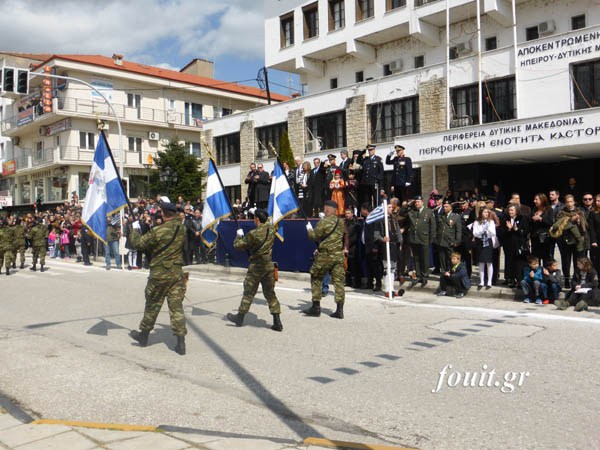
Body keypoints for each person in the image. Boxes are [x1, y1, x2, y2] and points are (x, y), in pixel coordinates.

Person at [129, 200, 188, 355]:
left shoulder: (158, 231)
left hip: (159, 274)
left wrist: (135, 229)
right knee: (176, 308)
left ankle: (143, 337)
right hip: (176, 274)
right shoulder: (182, 228)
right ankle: (181, 343)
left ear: (163, 213)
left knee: (153, 305)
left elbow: (139, 244)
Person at [226, 209, 282, 331]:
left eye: (254, 218)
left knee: (248, 293)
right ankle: (277, 321)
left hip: (256, 267)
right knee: (270, 293)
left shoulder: (253, 233)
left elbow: (237, 245)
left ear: (257, 219)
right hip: (268, 266)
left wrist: (239, 235)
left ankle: (239, 318)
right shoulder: (272, 229)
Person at [303, 200, 348, 319]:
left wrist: (309, 229)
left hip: (325, 256)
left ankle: (316, 307)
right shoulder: (341, 222)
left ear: (327, 209)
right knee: (339, 282)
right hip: (338, 255)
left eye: (325, 208)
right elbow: (344, 235)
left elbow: (314, 237)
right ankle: (339, 310)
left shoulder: (323, 222)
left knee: (316, 277)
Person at [550, 194, 587, 288]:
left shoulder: (580, 211)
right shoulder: (562, 213)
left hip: (578, 241)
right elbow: (560, 226)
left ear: (574, 202)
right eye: (567, 202)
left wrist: (579, 221)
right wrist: (570, 220)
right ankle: (567, 279)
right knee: (566, 261)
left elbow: (585, 226)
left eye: (571, 202)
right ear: (565, 203)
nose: (569, 204)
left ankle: (576, 279)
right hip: (565, 240)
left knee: (577, 261)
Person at [407, 195, 436, 288]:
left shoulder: (428, 211)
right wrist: (408, 204)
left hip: (424, 238)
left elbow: (433, 226)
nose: (417, 203)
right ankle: (418, 275)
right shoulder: (412, 211)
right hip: (414, 239)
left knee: (425, 258)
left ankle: (425, 276)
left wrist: (431, 239)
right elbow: (403, 212)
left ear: (422, 202)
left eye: (418, 202)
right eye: (415, 202)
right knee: (416, 258)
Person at [499, 204, 529, 288]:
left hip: (519, 244)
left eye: (512, 210)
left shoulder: (522, 218)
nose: (510, 212)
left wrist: (516, 229)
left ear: (516, 211)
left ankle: (519, 280)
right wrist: (508, 229)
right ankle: (510, 279)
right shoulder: (505, 219)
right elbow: (501, 231)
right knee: (509, 261)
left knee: (518, 263)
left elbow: (525, 231)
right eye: (509, 210)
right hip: (508, 244)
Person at [472, 206, 497, 290]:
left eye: (487, 212)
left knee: (489, 262)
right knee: (481, 262)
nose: (486, 214)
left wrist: (487, 229)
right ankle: (481, 281)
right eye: (484, 212)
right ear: (481, 213)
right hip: (480, 241)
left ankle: (489, 281)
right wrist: (482, 230)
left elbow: (493, 233)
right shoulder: (476, 222)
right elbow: (475, 233)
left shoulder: (491, 222)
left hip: (488, 242)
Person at [436, 200, 461, 273]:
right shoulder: (441, 216)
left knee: (451, 258)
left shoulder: (455, 217)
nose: (445, 208)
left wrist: (457, 241)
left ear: (451, 207)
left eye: (447, 206)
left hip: (450, 241)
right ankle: (443, 273)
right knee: (442, 259)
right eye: (444, 207)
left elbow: (458, 230)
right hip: (441, 241)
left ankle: (451, 272)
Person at [530, 193, 553, 267]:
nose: (534, 201)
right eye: (534, 199)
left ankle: (546, 274)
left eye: (536, 199)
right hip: (535, 237)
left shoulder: (549, 209)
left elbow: (550, 222)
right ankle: (537, 274)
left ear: (542, 200)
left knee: (546, 257)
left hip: (545, 238)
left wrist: (541, 219)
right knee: (535, 258)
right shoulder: (533, 209)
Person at [357, 144, 383, 208]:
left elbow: (381, 172)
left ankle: (377, 212)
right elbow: (358, 161)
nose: (370, 151)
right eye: (369, 150)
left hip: (374, 182)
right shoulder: (366, 159)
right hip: (366, 183)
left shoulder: (378, 159)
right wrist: (363, 152)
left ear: (374, 150)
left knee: (376, 199)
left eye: (371, 150)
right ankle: (368, 213)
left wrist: (378, 180)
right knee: (367, 200)